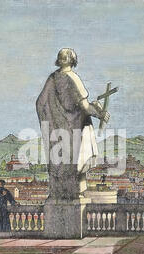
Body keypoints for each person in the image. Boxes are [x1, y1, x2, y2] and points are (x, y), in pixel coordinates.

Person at [36, 48, 110, 200]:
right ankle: (77, 192)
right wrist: (99, 113)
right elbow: (84, 107)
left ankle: (61, 192)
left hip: (58, 131)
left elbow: (41, 103)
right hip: (76, 129)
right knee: (78, 164)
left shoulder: (52, 79)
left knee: (61, 162)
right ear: (73, 60)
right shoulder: (72, 78)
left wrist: (54, 119)